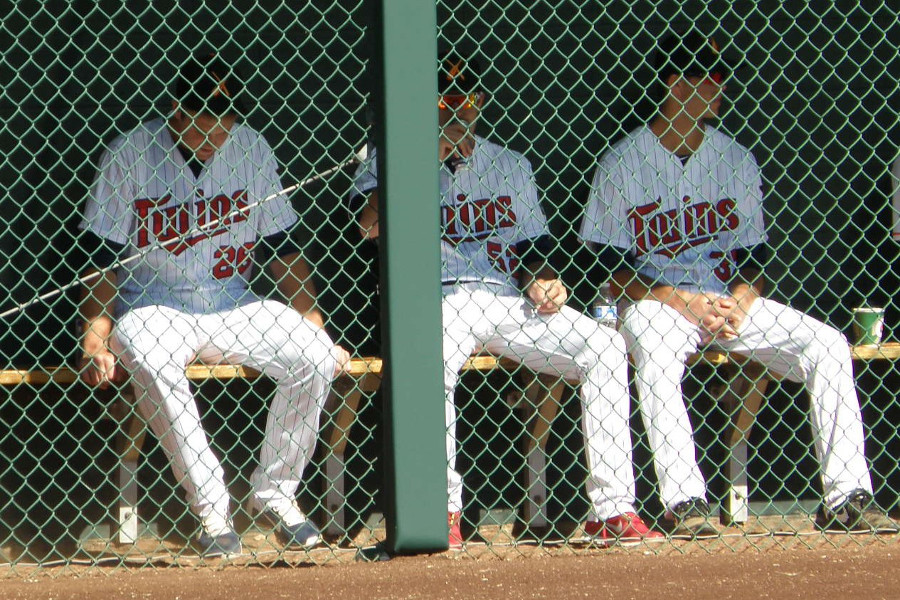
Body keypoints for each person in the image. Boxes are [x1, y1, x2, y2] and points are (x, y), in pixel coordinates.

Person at [578, 30, 898, 536]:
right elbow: (608, 269)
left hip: (727, 300)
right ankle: (684, 501)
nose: (722, 87)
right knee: (655, 348)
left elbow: (754, 257)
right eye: (712, 77)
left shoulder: (735, 159)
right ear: (676, 86)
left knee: (828, 345)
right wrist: (682, 301)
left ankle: (846, 497)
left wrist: (741, 303)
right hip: (658, 300)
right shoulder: (622, 162)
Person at [348, 51, 663, 547]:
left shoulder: (509, 164)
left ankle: (611, 507)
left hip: (502, 296)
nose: (456, 109)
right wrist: (419, 158)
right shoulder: (389, 155)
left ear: (481, 102)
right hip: (432, 299)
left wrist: (545, 279)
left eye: (466, 97)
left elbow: (532, 248)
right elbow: (369, 227)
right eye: (443, 98)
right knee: (431, 363)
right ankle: (441, 507)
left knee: (603, 349)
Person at [78, 52, 350, 557]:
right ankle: (212, 511)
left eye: (225, 124)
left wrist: (314, 322)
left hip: (233, 300)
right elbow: (100, 257)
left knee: (313, 354)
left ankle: (275, 494)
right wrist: (95, 336)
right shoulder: (130, 152)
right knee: (153, 358)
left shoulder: (251, 147)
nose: (216, 135)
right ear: (177, 111)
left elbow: (283, 249)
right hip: (154, 304)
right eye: (205, 123)